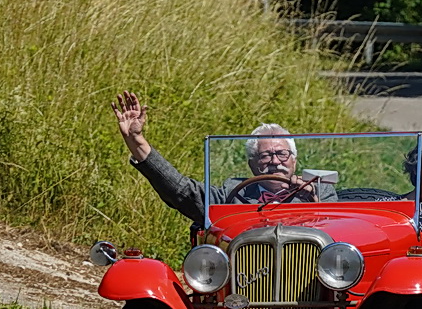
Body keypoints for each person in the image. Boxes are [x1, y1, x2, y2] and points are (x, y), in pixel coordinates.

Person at [111, 90, 312, 222]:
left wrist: (313, 195)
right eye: (266, 156)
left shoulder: (319, 193)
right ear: (252, 164)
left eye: (282, 154)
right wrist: (136, 140)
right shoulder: (232, 195)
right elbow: (182, 191)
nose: (275, 162)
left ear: (294, 159)